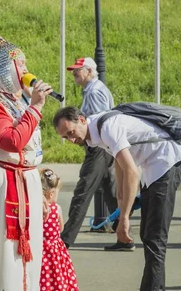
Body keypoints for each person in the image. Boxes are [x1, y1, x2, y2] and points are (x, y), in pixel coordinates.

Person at [53, 106, 181, 291]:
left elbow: (132, 172)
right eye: (65, 137)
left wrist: (124, 218)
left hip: (166, 162)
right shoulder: (94, 132)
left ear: (82, 120)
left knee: (155, 238)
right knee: (149, 237)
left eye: (71, 132)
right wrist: (121, 199)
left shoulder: (107, 128)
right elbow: (118, 161)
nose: (71, 139)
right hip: (153, 167)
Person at [0, 35, 53, 291]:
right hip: (1, 183)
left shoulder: (16, 100)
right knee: (4, 252)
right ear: (3, 70)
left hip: (22, 180)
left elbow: (30, 148)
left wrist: (40, 191)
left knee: (28, 251)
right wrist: (36, 107)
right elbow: (11, 141)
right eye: (21, 66)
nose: (26, 71)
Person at [62, 57, 120, 250]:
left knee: (83, 191)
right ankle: (123, 235)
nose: (74, 73)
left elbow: (100, 120)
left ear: (89, 71)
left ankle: (64, 240)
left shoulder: (94, 92)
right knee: (111, 192)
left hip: (98, 147)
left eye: (78, 70)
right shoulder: (93, 89)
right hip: (104, 146)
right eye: (73, 70)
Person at [39, 168, 79, 291]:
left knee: (43, 273)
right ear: (51, 194)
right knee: (57, 272)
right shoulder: (57, 209)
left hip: (40, 249)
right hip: (55, 250)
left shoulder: (36, 208)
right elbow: (61, 228)